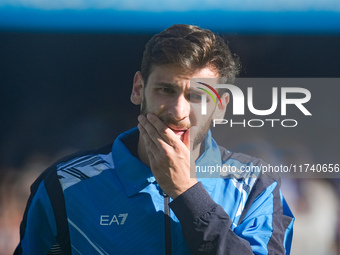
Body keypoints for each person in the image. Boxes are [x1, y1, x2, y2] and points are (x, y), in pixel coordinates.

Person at [15, 24, 294, 255]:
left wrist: (187, 193)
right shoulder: (65, 185)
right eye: (165, 89)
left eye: (196, 97)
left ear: (220, 106)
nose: (178, 112)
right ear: (139, 89)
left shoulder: (256, 186)